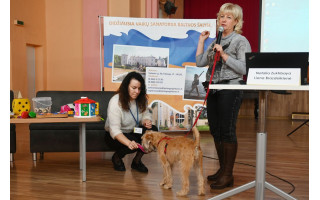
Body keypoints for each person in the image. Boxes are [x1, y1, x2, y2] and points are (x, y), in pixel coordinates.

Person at [195, 3, 251, 189]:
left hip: (231, 90)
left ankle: (228, 174)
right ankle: (222, 169)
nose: (223, 20)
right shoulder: (214, 41)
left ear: (236, 21)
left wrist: (224, 54)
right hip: (214, 89)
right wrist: (202, 41)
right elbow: (200, 62)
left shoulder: (240, 41)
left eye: (228, 17)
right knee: (216, 131)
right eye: (221, 17)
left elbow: (244, 68)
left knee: (227, 131)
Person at [105, 71, 157, 173]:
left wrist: (146, 120)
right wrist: (129, 143)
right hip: (115, 135)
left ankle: (136, 162)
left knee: (153, 131)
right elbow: (114, 130)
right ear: (126, 87)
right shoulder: (115, 102)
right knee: (134, 142)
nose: (137, 91)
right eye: (134, 88)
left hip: (133, 130)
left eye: (139, 88)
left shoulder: (141, 99)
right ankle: (117, 157)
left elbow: (145, 114)